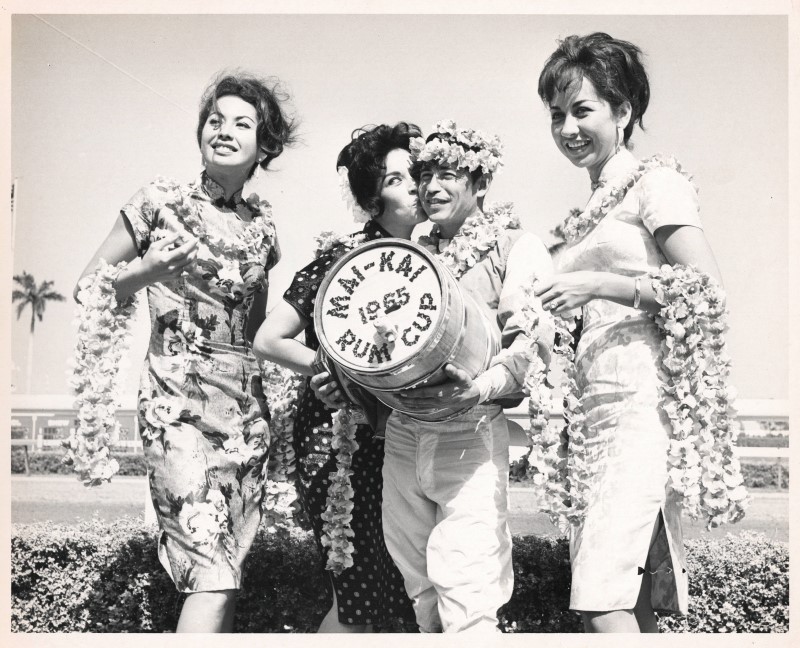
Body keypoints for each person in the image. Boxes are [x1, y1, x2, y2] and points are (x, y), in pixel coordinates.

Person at [74, 71, 297, 632]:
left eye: (241, 124)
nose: (223, 130)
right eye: (214, 120)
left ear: (265, 146)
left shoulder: (263, 231)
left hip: (245, 417)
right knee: (209, 571)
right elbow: (87, 286)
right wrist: (143, 273)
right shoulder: (158, 202)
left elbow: (255, 333)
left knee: (225, 576)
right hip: (175, 408)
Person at [534, 33, 725, 633]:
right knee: (628, 590)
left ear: (623, 111)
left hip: (643, 403)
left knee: (600, 592)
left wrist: (601, 284)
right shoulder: (586, 211)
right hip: (592, 412)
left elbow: (706, 290)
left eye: (582, 110)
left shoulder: (654, 183)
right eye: (557, 115)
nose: (568, 128)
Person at [378, 121, 554, 633]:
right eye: (424, 175)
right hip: (404, 433)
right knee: (421, 593)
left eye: (448, 174)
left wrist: (479, 388)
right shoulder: (410, 250)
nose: (431, 187)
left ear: (481, 183)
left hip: (471, 432)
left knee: (469, 594)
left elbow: (530, 347)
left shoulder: (518, 246)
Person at [253, 123, 421, 633]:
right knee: (358, 600)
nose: (415, 185)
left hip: (407, 442)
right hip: (340, 445)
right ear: (372, 203)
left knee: (400, 598)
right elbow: (269, 339)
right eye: (396, 179)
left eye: (416, 172)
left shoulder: (437, 261)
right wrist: (327, 370)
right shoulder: (339, 262)